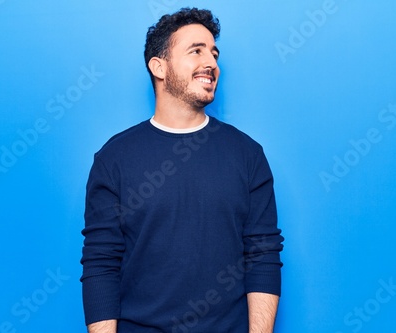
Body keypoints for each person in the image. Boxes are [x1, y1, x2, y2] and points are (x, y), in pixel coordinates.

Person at [80, 7, 284, 333]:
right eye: (196, 51)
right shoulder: (114, 159)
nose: (212, 63)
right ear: (159, 67)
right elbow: (101, 264)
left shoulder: (247, 155)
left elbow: (262, 256)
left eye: (214, 53)